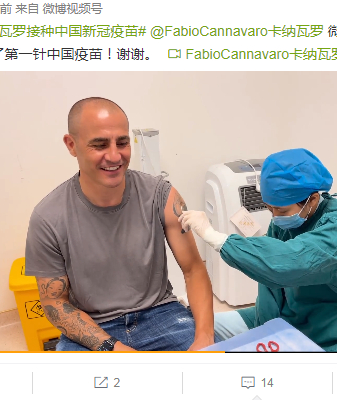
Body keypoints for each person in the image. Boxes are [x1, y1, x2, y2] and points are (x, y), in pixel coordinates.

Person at [25, 97, 214, 351]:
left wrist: (204, 338)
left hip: (162, 315)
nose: (114, 156)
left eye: (122, 143)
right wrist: (112, 348)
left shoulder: (162, 195)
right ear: (71, 145)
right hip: (93, 327)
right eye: (99, 145)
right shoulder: (48, 217)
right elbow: (54, 302)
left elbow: (193, 270)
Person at [179, 148, 337, 352]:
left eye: (280, 210)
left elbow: (287, 263)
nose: (274, 216)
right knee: (195, 326)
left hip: (330, 327)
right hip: (285, 313)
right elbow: (269, 268)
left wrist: (214, 236)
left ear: (312, 199)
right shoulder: (286, 220)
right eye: (269, 208)